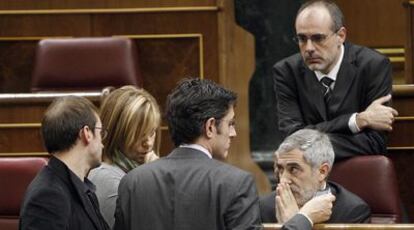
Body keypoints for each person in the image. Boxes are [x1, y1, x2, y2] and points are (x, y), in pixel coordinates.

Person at [113, 78, 261, 230]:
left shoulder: (132, 183)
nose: (233, 133)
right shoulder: (236, 183)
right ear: (210, 127)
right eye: (230, 124)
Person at [273, 0, 398, 160]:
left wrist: (307, 145)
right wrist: (357, 121)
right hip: (306, 180)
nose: (309, 48)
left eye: (318, 38)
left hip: (358, 176)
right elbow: (292, 136)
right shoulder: (287, 71)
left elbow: (375, 143)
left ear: (341, 36)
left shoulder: (373, 66)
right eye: (302, 39)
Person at [19, 96, 109, 230]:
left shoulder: (81, 189)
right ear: (87, 134)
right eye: (100, 132)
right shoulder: (47, 197)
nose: (102, 144)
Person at [260, 129, 371, 226]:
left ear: (322, 172)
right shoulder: (263, 207)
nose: (283, 179)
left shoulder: (352, 211)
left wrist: (295, 223)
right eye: (280, 169)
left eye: (293, 169)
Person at [88, 86, 161, 227]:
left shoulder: (133, 173)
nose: (148, 143)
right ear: (118, 134)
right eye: (139, 134)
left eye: (151, 132)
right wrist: (153, 182)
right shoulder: (109, 180)